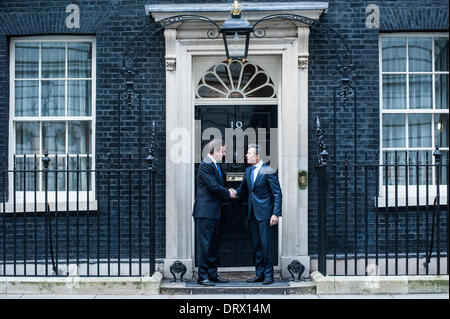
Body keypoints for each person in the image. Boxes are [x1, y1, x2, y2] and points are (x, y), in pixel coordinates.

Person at [234, 144, 282, 285]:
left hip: (266, 214)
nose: (246, 156)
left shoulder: (268, 170)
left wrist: (276, 213)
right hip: (252, 214)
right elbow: (242, 189)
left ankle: (269, 275)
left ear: (257, 156)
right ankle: (259, 274)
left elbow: (277, 193)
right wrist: (231, 193)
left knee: (266, 245)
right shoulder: (248, 171)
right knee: (257, 246)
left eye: (249, 153)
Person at [193, 139, 236, 286]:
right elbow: (213, 186)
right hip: (205, 212)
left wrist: (228, 190)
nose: (224, 154)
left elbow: (219, 185)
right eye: (223, 151)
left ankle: (212, 274)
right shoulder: (205, 165)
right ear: (214, 151)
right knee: (205, 245)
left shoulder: (216, 165)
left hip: (214, 211)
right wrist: (227, 193)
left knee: (213, 245)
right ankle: (202, 276)